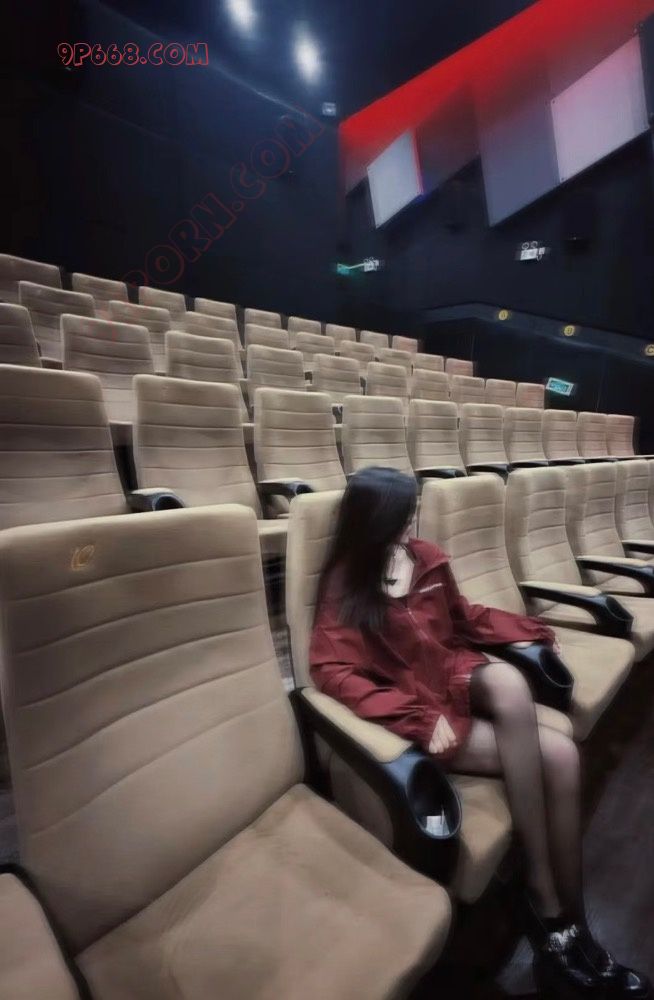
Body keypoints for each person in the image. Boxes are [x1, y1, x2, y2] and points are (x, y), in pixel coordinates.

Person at [310, 466, 650, 999]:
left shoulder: (424, 557)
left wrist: (531, 630)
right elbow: (334, 673)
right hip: (423, 710)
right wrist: (418, 719)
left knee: (512, 684)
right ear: (374, 520)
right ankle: (560, 925)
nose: (411, 523)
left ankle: (557, 906)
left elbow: (464, 617)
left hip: (452, 674)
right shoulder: (346, 584)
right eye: (402, 515)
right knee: (561, 756)